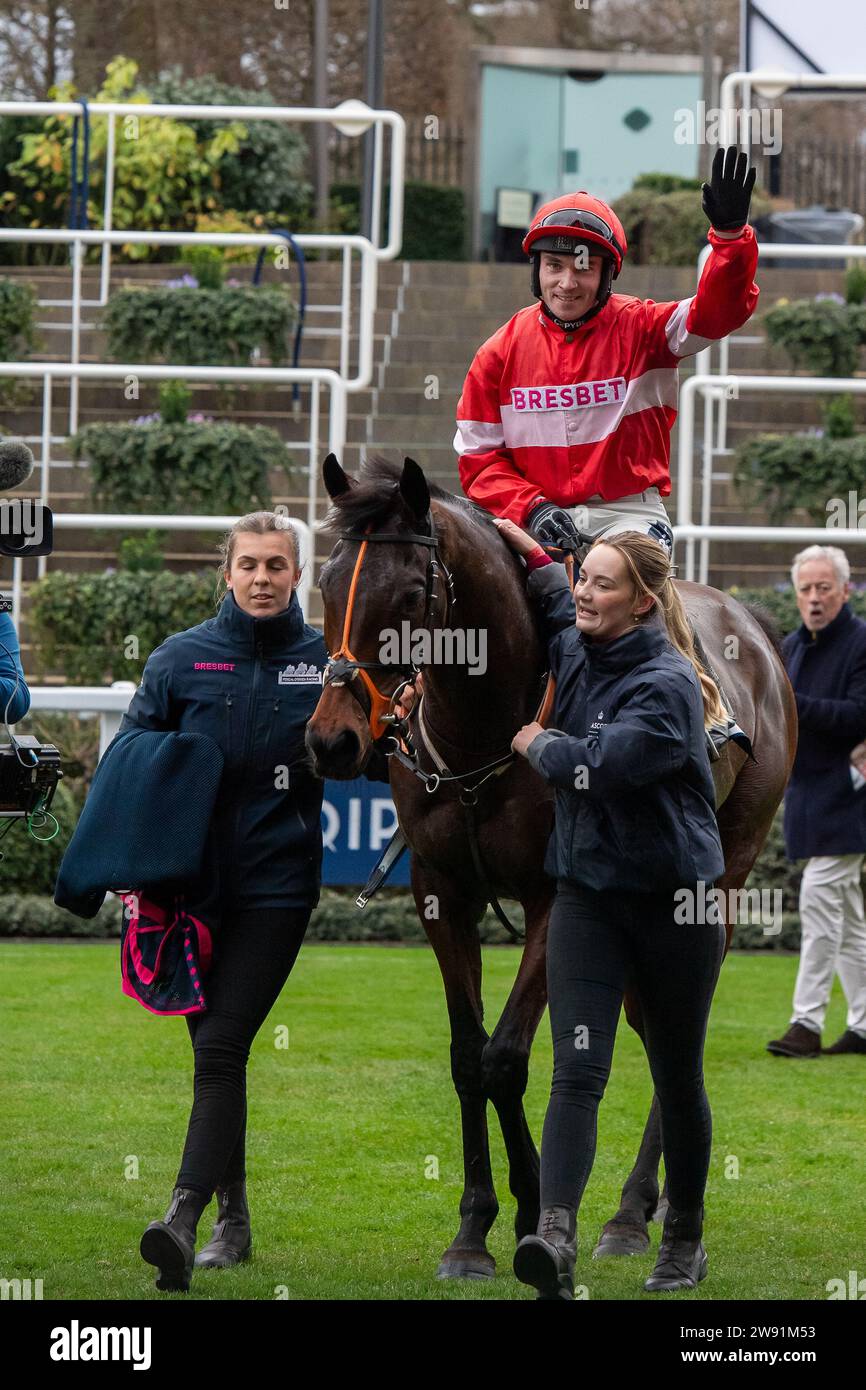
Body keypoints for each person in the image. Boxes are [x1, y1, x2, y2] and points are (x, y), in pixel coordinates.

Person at [493, 517, 727, 1300]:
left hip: (675, 903)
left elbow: (596, 768)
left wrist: (534, 745)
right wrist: (530, 551)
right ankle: (553, 1237)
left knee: (676, 1071)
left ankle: (684, 1238)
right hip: (589, 897)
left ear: (642, 602)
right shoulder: (577, 641)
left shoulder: (667, 684)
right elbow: (558, 604)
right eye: (585, 576)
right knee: (577, 1068)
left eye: (603, 582)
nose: (586, 591)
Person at [122, 511, 329, 1293]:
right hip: (188, 893)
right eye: (249, 565)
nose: (263, 579)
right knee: (219, 1057)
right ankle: (233, 1221)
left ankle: (180, 1217)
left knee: (220, 1049)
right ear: (227, 572)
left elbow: (365, 759)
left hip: (278, 890)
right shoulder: (180, 660)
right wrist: (131, 859)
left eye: (277, 565)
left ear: (297, 574)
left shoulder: (325, 663)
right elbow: (135, 762)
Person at [454, 147, 759, 561]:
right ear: (536, 270)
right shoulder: (497, 352)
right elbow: (479, 459)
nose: (566, 282)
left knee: (613, 589)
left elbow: (718, 313)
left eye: (583, 267)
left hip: (628, 518)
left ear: (607, 276)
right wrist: (531, 506)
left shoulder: (647, 328)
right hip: (533, 516)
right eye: (554, 265)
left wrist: (729, 238)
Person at [767, 545, 866, 1059]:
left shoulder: (861, 641)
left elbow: (857, 715)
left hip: (849, 798)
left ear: (844, 590)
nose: (813, 598)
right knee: (847, 919)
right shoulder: (793, 647)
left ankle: (805, 1023)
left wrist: (789, 701)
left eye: (823, 587)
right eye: (805, 589)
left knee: (821, 905)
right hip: (812, 795)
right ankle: (864, 1025)